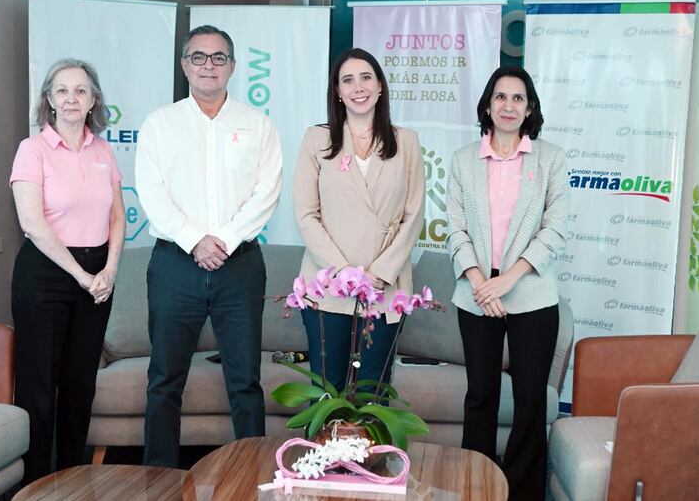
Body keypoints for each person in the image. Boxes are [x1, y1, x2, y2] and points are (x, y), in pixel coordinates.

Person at [136, 25, 283, 468]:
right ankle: (158, 480)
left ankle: (253, 474)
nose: (208, 66)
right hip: (174, 265)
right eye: (198, 57)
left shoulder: (257, 125)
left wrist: (224, 240)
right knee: (164, 379)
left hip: (239, 265)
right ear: (184, 66)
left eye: (219, 58)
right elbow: (152, 191)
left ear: (233, 67)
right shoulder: (161, 123)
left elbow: (266, 191)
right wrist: (196, 241)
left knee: (245, 380)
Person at [446, 66, 570, 500]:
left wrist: (508, 280)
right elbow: (455, 229)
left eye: (518, 98)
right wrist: (483, 283)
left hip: (531, 294)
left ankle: (520, 491)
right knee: (480, 395)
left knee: (530, 401)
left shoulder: (551, 158)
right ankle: (476, 485)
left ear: (530, 107)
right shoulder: (463, 160)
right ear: (487, 104)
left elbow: (554, 229)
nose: (509, 105)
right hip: (476, 293)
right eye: (501, 97)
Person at [10, 58, 125, 484]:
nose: (72, 98)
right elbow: (32, 224)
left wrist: (110, 269)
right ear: (49, 100)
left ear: (94, 99)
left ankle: (73, 478)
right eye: (62, 90)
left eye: (81, 90)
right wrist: (80, 275)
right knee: (39, 389)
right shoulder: (33, 149)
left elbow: (117, 215)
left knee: (80, 386)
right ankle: (35, 483)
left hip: (97, 275)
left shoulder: (103, 150)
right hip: (46, 275)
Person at [293, 48, 425, 394]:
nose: (358, 87)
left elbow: (414, 215)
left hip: (386, 283)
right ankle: (320, 450)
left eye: (366, 77)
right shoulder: (316, 139)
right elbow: (306, 215)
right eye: (347, 80)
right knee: (327, 392)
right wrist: (343, 272)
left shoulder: (406, 141)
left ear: (380, 86)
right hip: (329, 283)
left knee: (372, 392)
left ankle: (374, 452)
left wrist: (378, 274)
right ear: (337, 91)